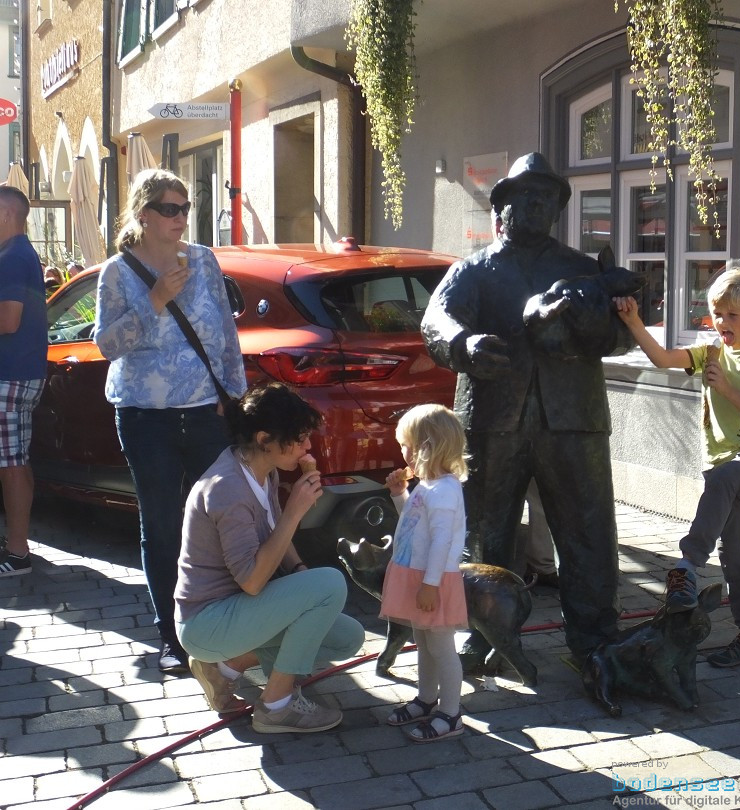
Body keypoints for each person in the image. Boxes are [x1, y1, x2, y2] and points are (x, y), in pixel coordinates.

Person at [421, 152, 633, 665]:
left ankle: (594, 638)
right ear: (503, 206)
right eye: (526, 196)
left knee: (587, 531)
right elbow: (435, 321)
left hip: (573, 421)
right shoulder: (473, 270)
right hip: (494, 421)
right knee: (487, 533)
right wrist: (463, 346)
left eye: (547, 198)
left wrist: (592, 324)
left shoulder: (582, 271)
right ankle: (484, 635)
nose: (537, 205)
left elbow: (621, 336)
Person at [94, 168, 246, 674]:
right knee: (161, 525)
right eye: (170, 209)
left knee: (223, 515)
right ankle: (172, 636)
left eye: (185, 208)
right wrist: (154, 302)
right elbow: (106, 345)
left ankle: (228, 622)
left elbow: (225, 333)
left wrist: (234, 395)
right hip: (144, 416)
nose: (181, 217)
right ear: (143, 214)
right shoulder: (117, 272)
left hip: (205, 411)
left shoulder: (203, 261)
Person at [614, 268, 740, 667]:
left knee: (727, 479)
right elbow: (661, 358)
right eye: (717, 314)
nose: (723, 323)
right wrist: (635, 322)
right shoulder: (709, 353)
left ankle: (686, 565)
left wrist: (726, 388)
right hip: (720, 469)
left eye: (732, 316)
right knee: (736, 557)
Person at [176, 382, 365, 733]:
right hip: (207, 622)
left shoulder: (263, 471)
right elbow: (252, 581)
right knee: (330, 583)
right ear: (265, 438)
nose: (308, 447)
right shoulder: (227, 489)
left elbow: (273, 532)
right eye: (300, 438)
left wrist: (299, 571)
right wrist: (296, 513)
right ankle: (276, 706)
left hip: (238, 612)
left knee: (347, 637)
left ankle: (224, 668)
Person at [381, 404, 469, 743]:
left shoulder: (445, 490)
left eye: (405, 444)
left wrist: (430, 585)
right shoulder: (427, 486)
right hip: (419, 577)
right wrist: (398, 495)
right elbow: (413, 525)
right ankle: (426, 698)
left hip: (433, 581)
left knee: (442, 647)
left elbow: (442, 542)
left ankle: (451, 712)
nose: (401, 451)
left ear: (426, 447)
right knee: (424, 644)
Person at [0, 187, 46, 577]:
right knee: (17, 461)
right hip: (21, 374)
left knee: (10, 464)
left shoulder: (12, 256)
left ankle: (17, 554)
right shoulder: (20, 253)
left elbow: (8, 320)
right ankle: (18, 545)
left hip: (9, 376)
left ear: (6, 214)